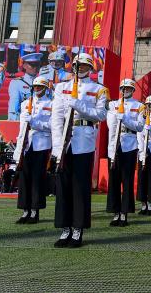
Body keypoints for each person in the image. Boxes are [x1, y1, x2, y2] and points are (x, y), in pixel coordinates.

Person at [51, 52, 109, 248]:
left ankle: (78, 229)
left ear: (91, 69)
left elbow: (100, 115)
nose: (80, 69)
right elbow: (56, 117)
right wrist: (57, 145)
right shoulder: (61, 87)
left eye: (85, 66)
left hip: (83, 140)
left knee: (80, 187)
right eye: (77, 65)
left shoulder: (99, 90)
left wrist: (80, 105)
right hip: (64, 142)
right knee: (63, 186)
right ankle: (65, 228)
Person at [14, 76, 53, 224]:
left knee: (37, 178)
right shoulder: (25, 104)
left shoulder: (51, 104)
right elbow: (21, 127)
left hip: (42, 144)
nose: (37, 89)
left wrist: (35, 122)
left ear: (45, 88)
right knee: (25, 178)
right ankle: (25, 210)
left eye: (40, 87)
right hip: (26, 144)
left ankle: (35, 211)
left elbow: (51, 126)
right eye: (35, 87)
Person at [106, 79, 145, 227]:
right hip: (115, 143)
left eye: (128, 88)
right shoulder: (113, 105)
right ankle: (116, 212)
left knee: (127, 179)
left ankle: (124, 213)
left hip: (129, 143)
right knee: (114, 179)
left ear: (133, 90)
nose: (125, 90)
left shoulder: (139, 106)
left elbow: (140, 126)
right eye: (123, 88)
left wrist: (126, 119)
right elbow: (111, 124)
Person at [8, 51, 42, 120]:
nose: (35, 67)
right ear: (24, 65)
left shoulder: (43, 83)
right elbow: (14, 107)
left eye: (37, 64)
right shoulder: (16, 83)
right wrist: (14, 122)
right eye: (32, 65)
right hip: (22, 120)